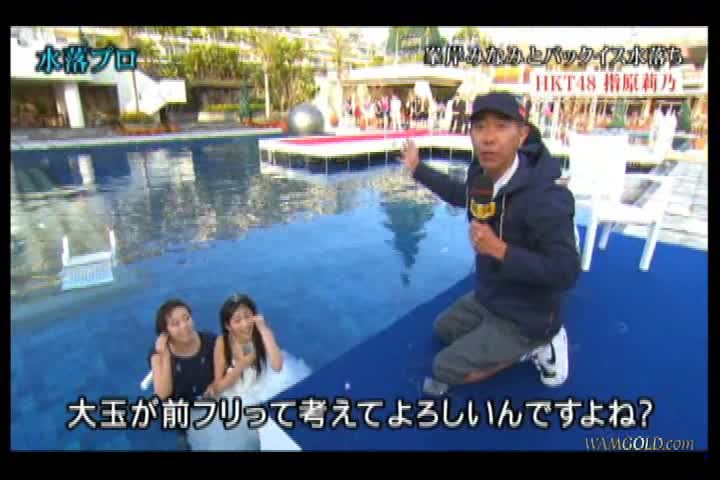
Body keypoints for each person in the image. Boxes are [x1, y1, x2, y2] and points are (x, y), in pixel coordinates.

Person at [400, 91, 580, 391]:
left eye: (501, 126)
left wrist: (501, 251)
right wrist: (418, 168)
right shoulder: (481, 174)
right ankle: (501, 335)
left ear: (522, 134)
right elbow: (460, 194)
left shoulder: (546, 198)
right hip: (491, 295)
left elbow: (566, 272)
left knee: (444, 368)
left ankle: (537, 344)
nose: (488, 138)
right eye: (480, 127)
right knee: (443, 330)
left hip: (528, 313)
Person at [148, 299, 217, 450]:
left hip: (208, 402)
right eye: (175, 324)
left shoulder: (210, 340)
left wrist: (216, 384)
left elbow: (223, 368)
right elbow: (163, 393)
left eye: (187, 318)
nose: (184, 326)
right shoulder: (157, 354)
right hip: (180, 410)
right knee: (185, 443)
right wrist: (165, 355)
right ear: (165, 332)